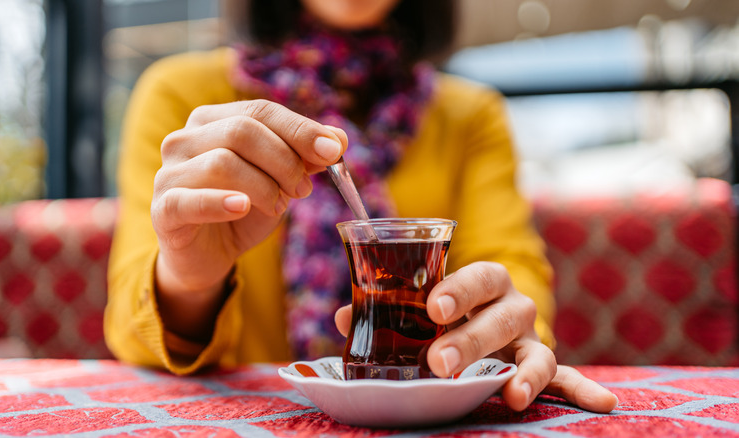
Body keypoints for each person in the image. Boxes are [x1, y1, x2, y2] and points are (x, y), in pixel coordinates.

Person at [105, 0, 618, 413]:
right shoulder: (182, 97)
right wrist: (189, 279)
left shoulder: (470, 117)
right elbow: (130, 329)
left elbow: (512, 269)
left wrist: (503, 334)